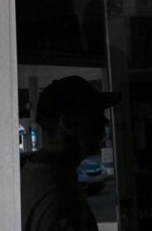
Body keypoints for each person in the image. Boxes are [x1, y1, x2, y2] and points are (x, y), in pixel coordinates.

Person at [20, 76, 120, 231]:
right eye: (95, 114)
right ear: (68, 124)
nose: (105, 121)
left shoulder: (32, 174)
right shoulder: (60, 200)